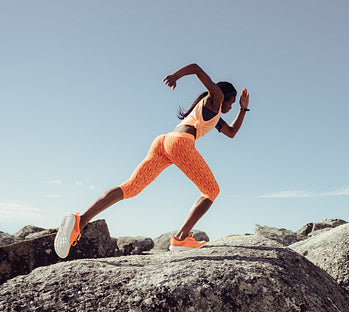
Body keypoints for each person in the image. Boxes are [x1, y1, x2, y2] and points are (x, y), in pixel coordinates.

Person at [54, 63, 250, 258]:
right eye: (232, 103)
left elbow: (231, 133)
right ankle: (181, 239)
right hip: (180, 144)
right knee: (211, 190)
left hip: (163, 142)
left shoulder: (212, 114)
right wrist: (176, 76)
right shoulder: (216, 98)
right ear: (224, 97)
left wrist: (243, 110)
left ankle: (79, 221)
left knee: (130, 188)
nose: (231, 107)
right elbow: (197, 68)